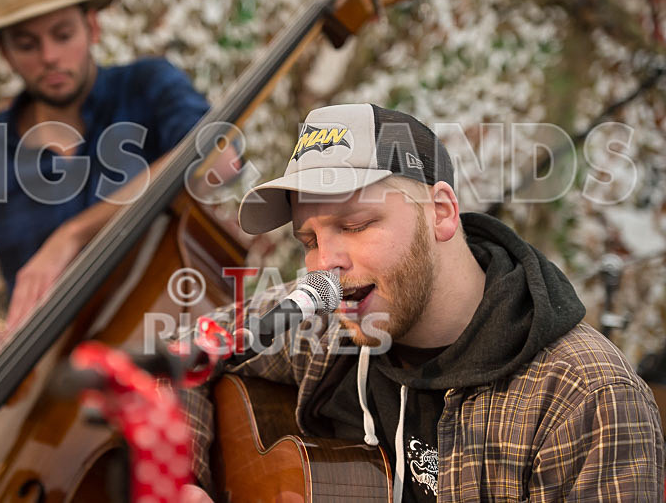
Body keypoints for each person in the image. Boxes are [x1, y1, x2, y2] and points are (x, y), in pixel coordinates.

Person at [181, 103, 665, 500]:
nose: (324, 264)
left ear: (440, 213)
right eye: (308, 240)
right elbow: (183, 356)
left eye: (355, 225)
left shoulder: (585, 397)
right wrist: (185, 481)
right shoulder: (321, 326)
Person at [0, 0, 234, 493]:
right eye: (27, 44)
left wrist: (73, 235)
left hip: (159, 357)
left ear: (93, 27)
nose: (49, 56)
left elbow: (217, 156)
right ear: (5, 54)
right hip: (34, 382)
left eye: (63, 34)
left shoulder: (149, 86)